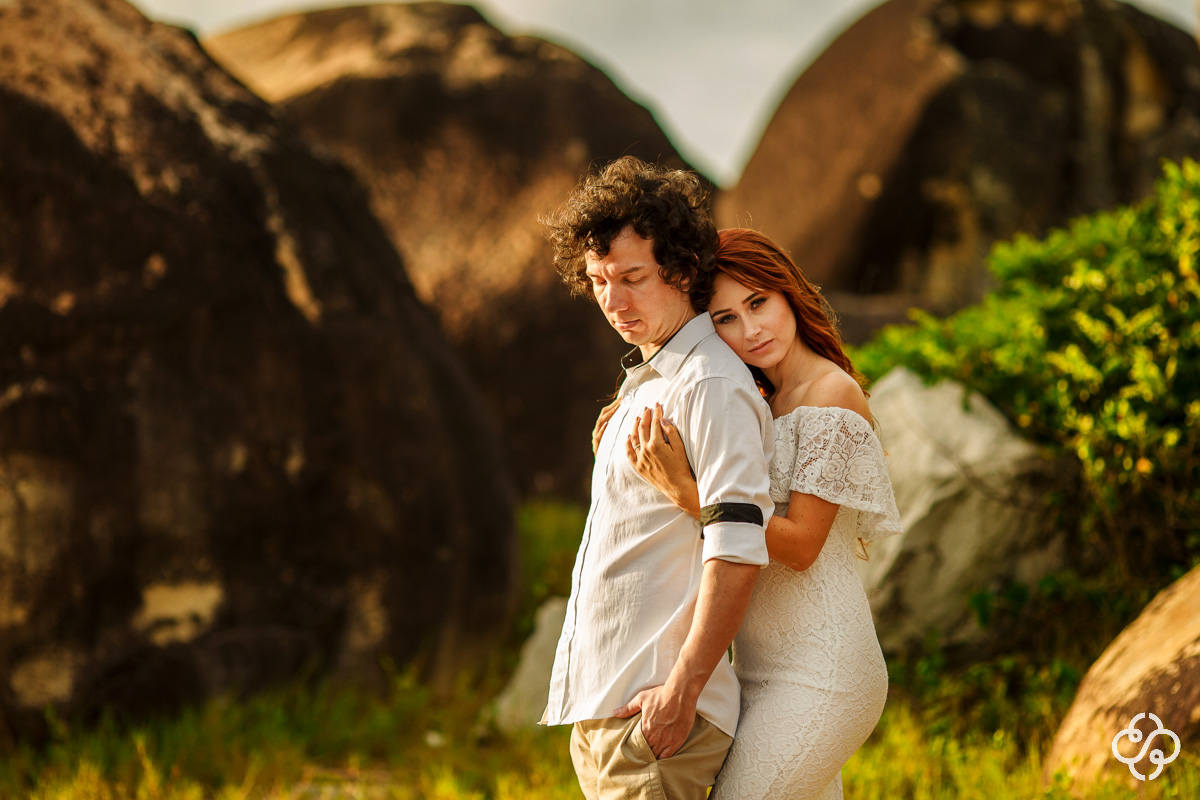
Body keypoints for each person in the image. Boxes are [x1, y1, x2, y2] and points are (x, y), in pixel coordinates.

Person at [614, 228, 903, 799]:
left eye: (757, 303)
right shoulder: (754, 400)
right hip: (753, 674)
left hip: (825, 671)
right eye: (724, 319)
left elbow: (800, 547)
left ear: (789, 292)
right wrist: (625, 407)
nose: (750, 331)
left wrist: (689, 496)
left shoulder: (831, 393)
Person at [539, 158, 775, 800]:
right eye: (597, 281)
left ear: (682, 270)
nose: (613, 301)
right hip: (605, 711)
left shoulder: (711, 386)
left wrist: (683, 691)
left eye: (632, 278)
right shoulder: (650, 383)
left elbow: (737, 549)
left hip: (659, 716)